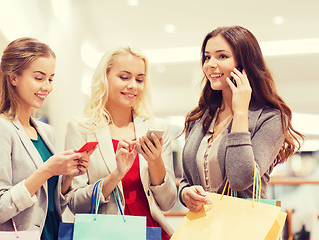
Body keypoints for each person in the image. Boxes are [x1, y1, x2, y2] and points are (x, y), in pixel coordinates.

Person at [179, 26, 304, 212]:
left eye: (222, 56)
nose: (210, 64)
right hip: (204, 225)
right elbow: (187, 179)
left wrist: (240, 113)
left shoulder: (270, 117)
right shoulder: (200, 117)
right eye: (207, 57)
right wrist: (185, 193)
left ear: (244, 64)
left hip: (244, 225)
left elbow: (240, 180)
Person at [0, 37, 89, 240]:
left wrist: (67, 176)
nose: (47, 87)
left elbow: (52, 204)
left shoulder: (46, 132)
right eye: (39, 78)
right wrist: (47, 170)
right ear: (13, 77)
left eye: (51, 79)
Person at [64, 46, 177, 239]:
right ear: (105, 78)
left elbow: (167, 202)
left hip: (150, 232)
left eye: (139, 79)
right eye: (124, 77)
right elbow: (75, 203)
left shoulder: (157, 127)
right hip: (105, 233)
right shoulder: (81, 129)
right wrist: (116, 175)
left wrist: (155, 160)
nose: (133, 85)